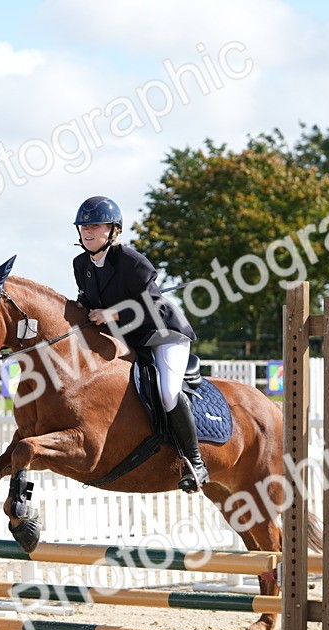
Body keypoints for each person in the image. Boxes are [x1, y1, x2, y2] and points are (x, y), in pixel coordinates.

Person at [70, 195, 207, 492]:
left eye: (95, 226)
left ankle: (195, 462)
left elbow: (153, 307)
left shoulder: (131, 262)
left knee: (168, 392)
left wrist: (112, 313)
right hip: (128, 339)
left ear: (113, 230)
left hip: (162, 334)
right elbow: (86, 301)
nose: (87, 231)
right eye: (83, 226)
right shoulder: (81, 264)